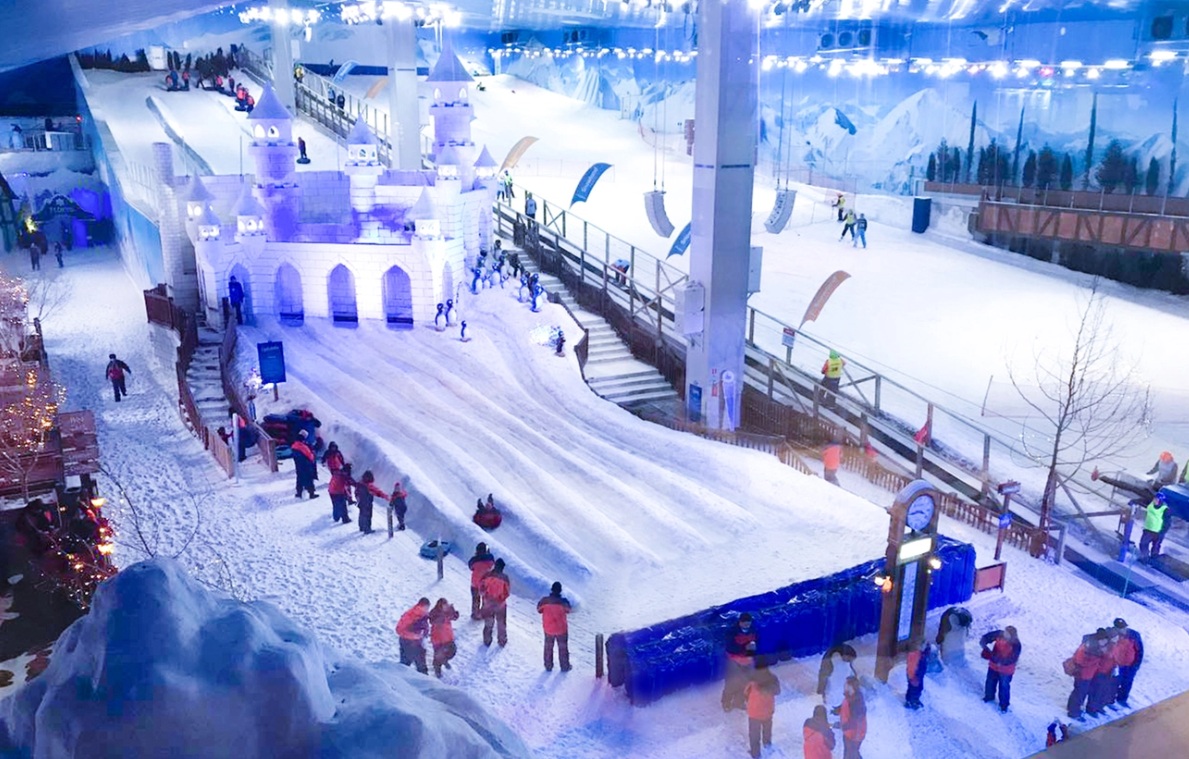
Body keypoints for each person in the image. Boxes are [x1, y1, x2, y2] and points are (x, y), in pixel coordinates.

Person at [743, 662, 781, 759]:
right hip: (768, 710)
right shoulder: (773, 678)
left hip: (754, 712)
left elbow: (746, 693)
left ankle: (755, 753)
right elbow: (777, 691)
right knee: (767, 728)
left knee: (754, 734)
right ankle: (767, 743)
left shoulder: (752, 679)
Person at [979, 626, 1020, 712]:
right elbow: (985, 638)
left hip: (1006, 670)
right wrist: (985, 648)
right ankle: (989, 696)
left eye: (1007, 634)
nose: (1005, 635)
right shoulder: (999, 634)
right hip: (993, 666)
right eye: (1005, 632)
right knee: (990, 682)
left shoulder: (1016, 645)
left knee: (1004, 686)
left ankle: (1004, 705)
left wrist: (995, 659)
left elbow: (1012, 659)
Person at [722, 612, 757, 711]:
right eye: (745, 624)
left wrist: (752, 651)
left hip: (747, 661)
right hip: (733, 661)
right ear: (740, 622)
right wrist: (744, 647)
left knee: (745, 683)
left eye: (748, 624)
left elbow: (756, 642)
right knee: (731, 683)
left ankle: (739, 702)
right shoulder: (731, 632)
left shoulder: (753, 630)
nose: (747, 626)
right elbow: (729, 647)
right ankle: (726, 702)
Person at [1067, 630, 1106, 720]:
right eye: (1104, 640)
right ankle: (1073, 713)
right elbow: (1080, 660)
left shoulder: (1096, 647)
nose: (1105, 642)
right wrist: (1096, 659)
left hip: (1089, 674)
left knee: (1081, 692)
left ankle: (1073, 708)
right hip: (1083, 674)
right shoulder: (1088, 647)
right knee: (1079, 693)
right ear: (1099, 639)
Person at [537, 581, 572, 672]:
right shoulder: (563, 602)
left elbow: (539, 610)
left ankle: (548, 665)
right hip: (561, 629)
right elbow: (569, 610)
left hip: (548, 628)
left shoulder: (544, 601)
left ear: (551, 589)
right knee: (563, 648)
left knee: (548, 647)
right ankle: (564, 666)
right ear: (560, 591)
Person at [832, 676, 866, 759]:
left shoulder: (857, 702)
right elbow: (846, 705)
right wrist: (838, 710)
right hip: (849, 733)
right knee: (852, 753)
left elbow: (855, 722)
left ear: (851, 686)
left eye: (846, 684)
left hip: (855, 735)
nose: (844, 686)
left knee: (850, 754)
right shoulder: (850, 696)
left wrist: (842, 725)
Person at [480, 558, 511, 647]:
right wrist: (502, 598)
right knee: (501, 623)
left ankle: (487, 640)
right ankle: (502, 640)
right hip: (500, 604)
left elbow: (481, 587)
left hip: (488, 602)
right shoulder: (505, 578)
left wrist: (485, 596)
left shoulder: (487, 575)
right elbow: (507, 592)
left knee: (488, 622)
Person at [1113, 618, 1143, 707]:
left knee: (1128, 682)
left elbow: (1140, 650)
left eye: (1124, 627)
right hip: (1118, 664)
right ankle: (1110, 699)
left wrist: (1136, 664)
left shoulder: (1134, 635)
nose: (1123, 630)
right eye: (1120, 628)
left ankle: (1122, 699)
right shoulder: (1114, 636)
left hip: (1131, 665)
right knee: (1116, 681)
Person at [396, 597, 430, 674]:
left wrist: (425, 633)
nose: (427, 610)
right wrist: (413, 636)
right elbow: (399, 629)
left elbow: (424, 627)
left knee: (421, 666)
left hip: (417, 643)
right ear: (421, 606)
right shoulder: (410, 615)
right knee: (405, 665)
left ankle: (423, 679)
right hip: (407, 643)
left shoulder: (423, 615)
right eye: (426, 608)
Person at [1089, 627, 1119, 715]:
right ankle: (1092, 708)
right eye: (1115, 636)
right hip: (1101, 671)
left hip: (1109, 671)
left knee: (1104, 690)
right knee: (1096, 690)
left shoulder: (1114, 645)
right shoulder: (1105, 645)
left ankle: (1099, 706)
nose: (1117, 638)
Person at [428, 598, 459, 677]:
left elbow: (455, 617)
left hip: (448, 637)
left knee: (452, 651)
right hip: (438, 639)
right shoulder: (434, 613)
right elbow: (434, 621)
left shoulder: (447, 612)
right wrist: (446, 615)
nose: (446, 607)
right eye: (444, 605)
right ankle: (437, 671)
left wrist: (454, 613)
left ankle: (444, 660)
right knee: (438, 657)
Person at [354, 470, 388, 535]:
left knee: (362, 514)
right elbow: (378, 492)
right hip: (367, 503)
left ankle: (361, 527)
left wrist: (357, 498)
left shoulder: (359, 484)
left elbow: (356, 492)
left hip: (361, 502)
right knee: (368, 516)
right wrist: (386, 496)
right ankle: (367, 529)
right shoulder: (369, 486)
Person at [468, 542, 495, 620]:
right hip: (486, 584)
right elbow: (493, 566)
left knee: (475, 599)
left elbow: (471, 567)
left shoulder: (474, 560)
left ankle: (475, 614)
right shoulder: (490, 559)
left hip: (475, 583)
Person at [1139, 492, 1170, 561]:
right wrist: (1133, 502)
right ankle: (1145, 557)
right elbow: (1142, 501)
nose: (1155, 501)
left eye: (1157, 500)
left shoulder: (1165, 510)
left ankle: (1154, 560)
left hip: (1158, 532)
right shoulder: (1151, 504)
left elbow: (1167, 522)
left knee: (1155, 547)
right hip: (1148, 530)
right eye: (1154, 499)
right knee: (1143, 544)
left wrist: (1163, 531)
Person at [291, 430, 318, 499]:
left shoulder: (294, 445)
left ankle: (299, 492)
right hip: (306, 465)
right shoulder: (303, 447)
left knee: (299, 478)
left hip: (298, 465)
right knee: (309, 479)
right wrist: (313, 454)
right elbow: (310, 456)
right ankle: (311, 493)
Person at [905, 640, 930, 709]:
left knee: (919, 688)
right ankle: (910, 701)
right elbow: (911, 668)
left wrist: (928, 648)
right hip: (914, 676)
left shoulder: (920, 654)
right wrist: (913, 677)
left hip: (920, 675)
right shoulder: (913, 656)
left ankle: (916, 699)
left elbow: (925, 654)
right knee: (913, 689)